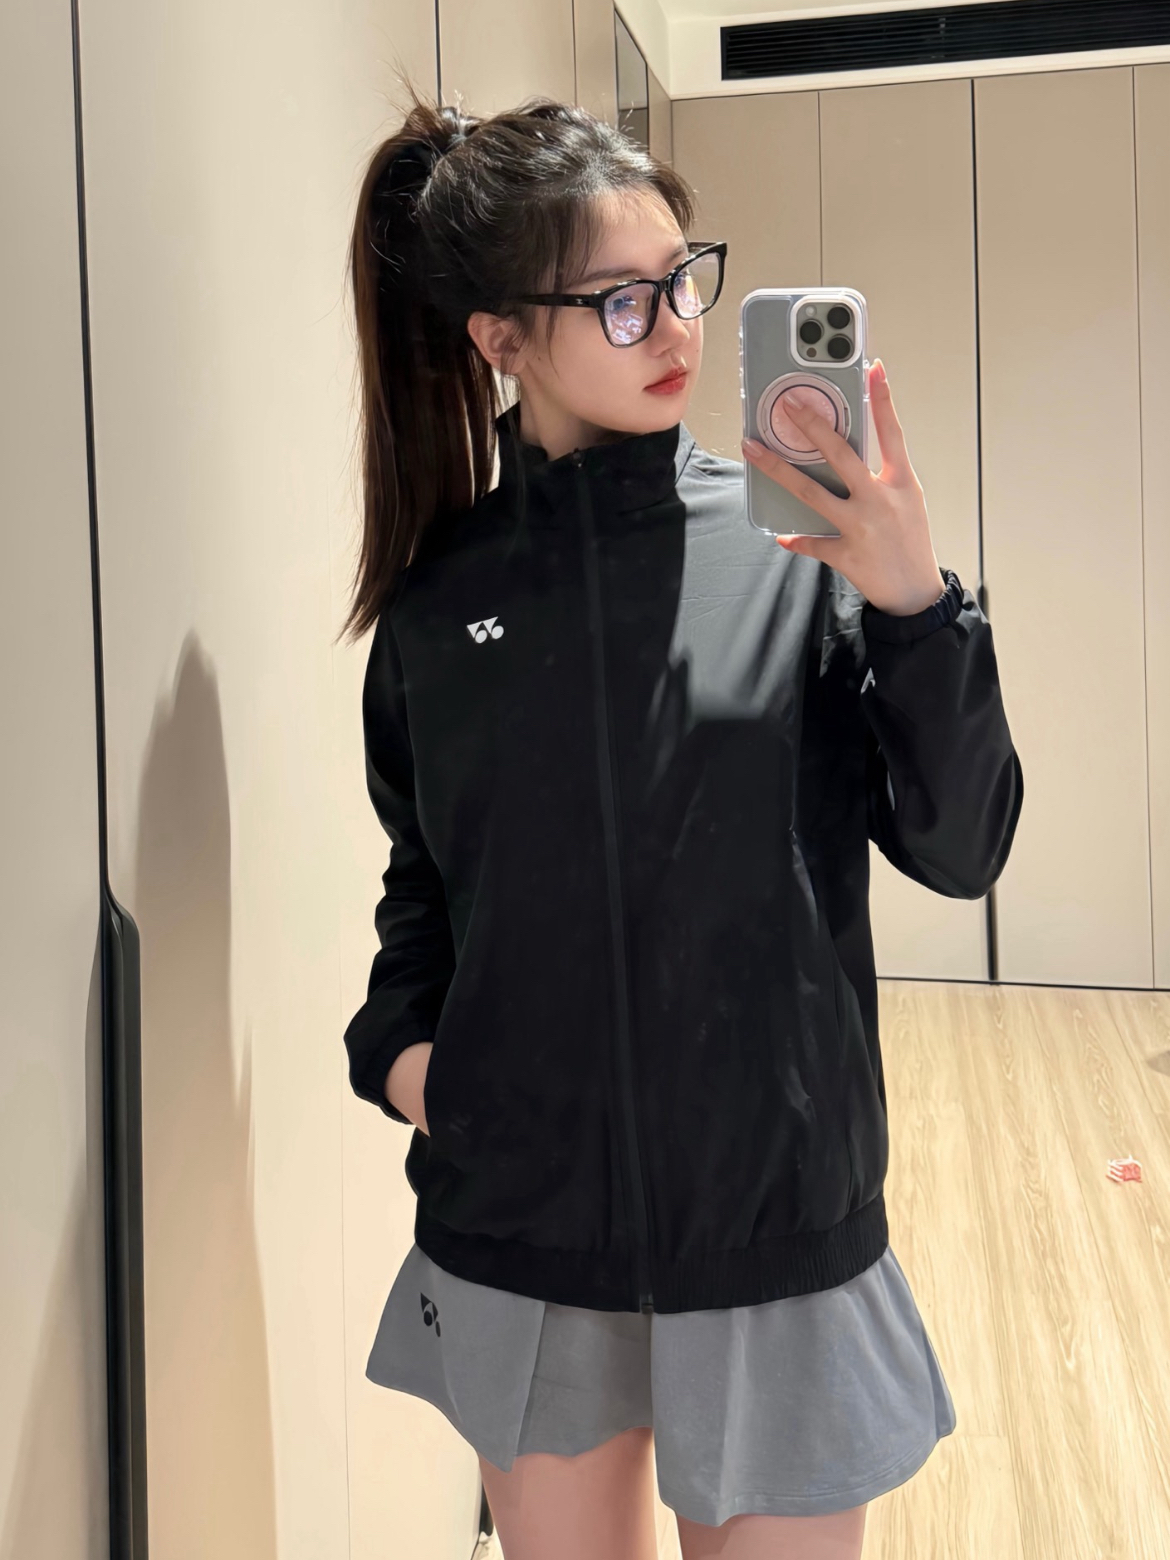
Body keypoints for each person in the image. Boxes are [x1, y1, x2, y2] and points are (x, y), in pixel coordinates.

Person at [340, 78, 1023, 1560]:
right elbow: (428, 881)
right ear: (499, 338)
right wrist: (406, 1060)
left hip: (773, 1225)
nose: (675, 330)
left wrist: (915, 605)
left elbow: (962, 848)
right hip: (524, 1226)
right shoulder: (442, 602)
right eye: (620, 301)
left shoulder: (798, 556)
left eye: (681, 280)